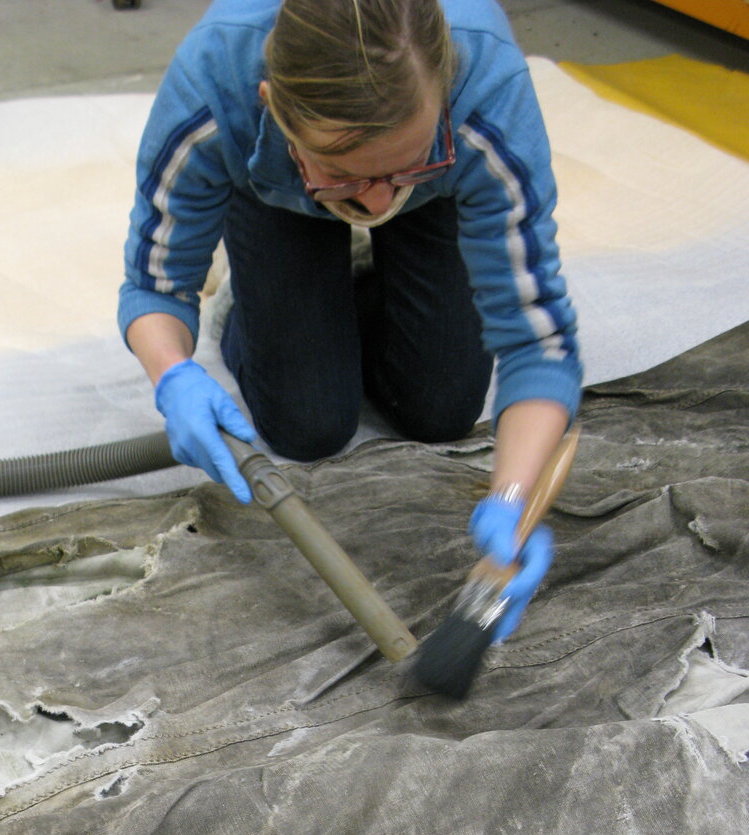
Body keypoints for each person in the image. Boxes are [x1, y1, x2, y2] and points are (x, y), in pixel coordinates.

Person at [118, 0, 581, 641]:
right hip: (276, 191)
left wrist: (511, 503)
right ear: (269, 102)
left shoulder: (487, 95)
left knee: (441, 408)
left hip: (438, 191)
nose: (374, 202)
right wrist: (173, 374)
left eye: (400, 169)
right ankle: (260, 286)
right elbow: (155, 284)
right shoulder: (214, 85)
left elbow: (539, 344)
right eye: (345, 175)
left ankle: (358, 239)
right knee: (307, 424)